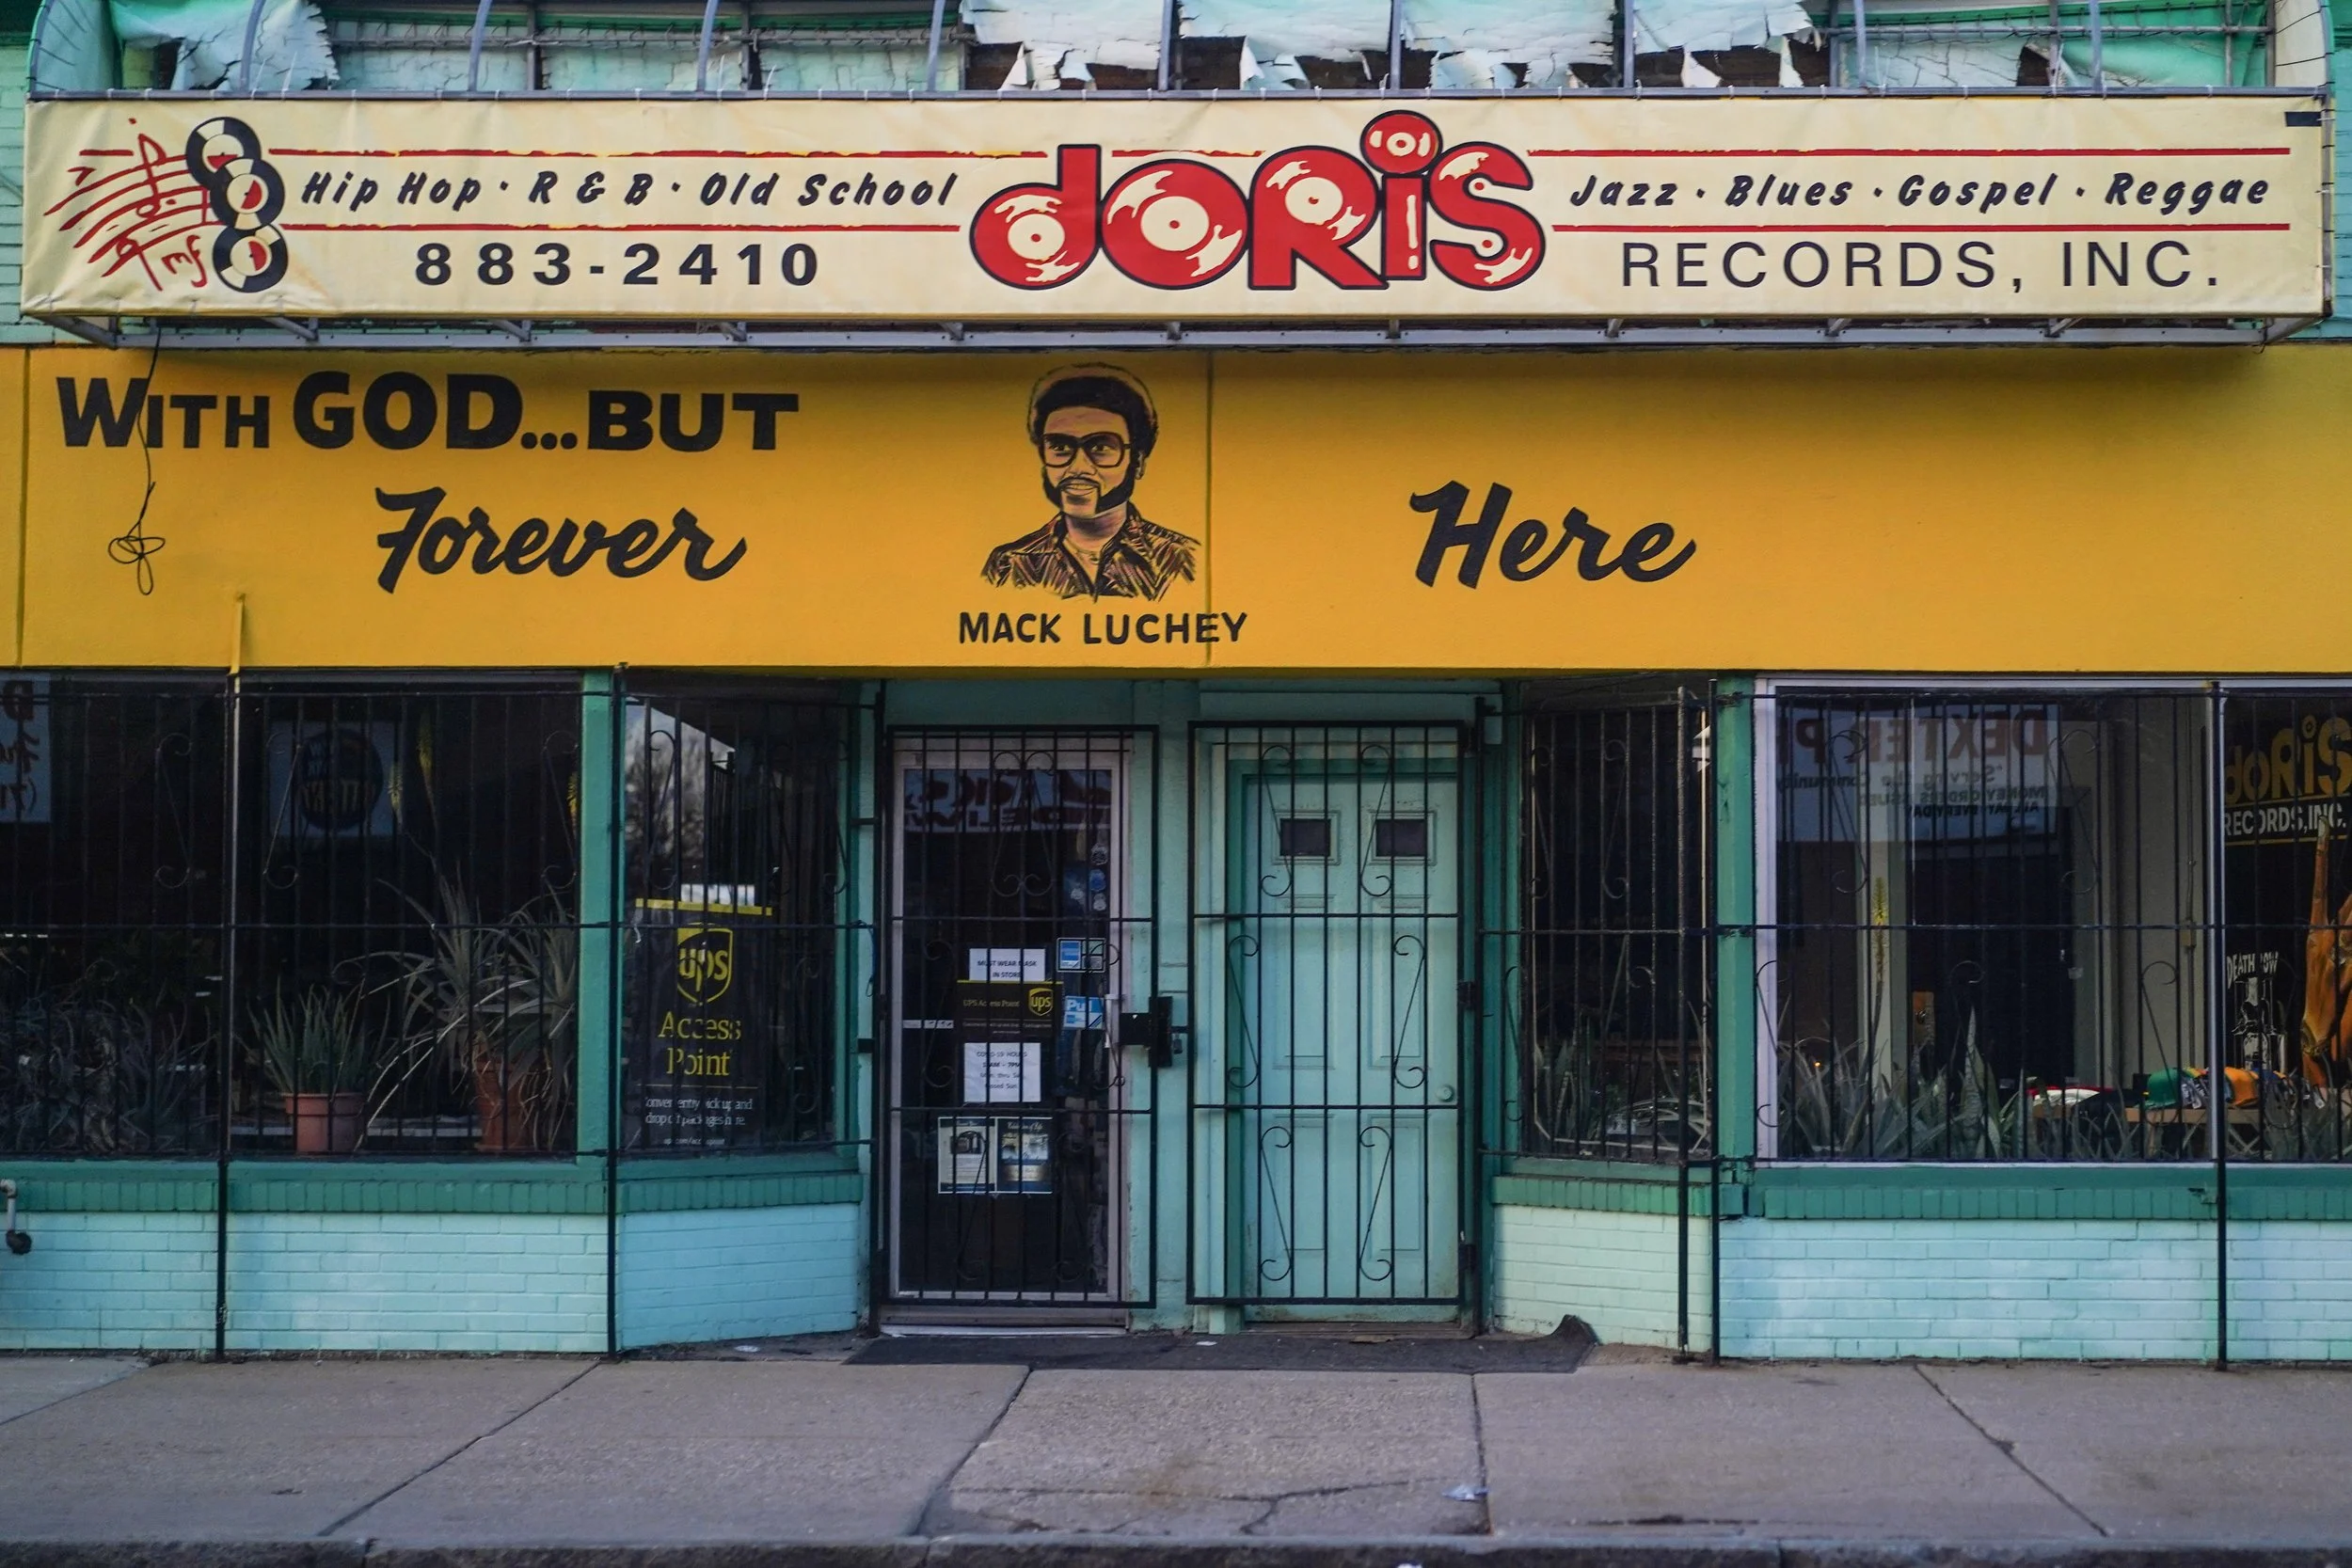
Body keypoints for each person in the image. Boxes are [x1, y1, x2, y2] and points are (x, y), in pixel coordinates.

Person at [982, 366, 1199, 600]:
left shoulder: (1177, 558)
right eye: (1060, 447)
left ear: (1138, 461)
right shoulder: (1011, 562)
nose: (1078, 468)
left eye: (1101, 447)